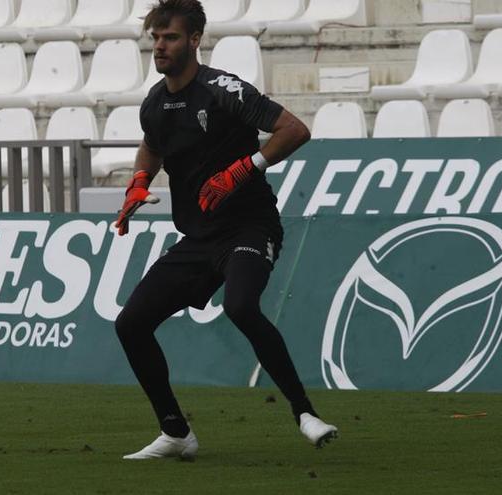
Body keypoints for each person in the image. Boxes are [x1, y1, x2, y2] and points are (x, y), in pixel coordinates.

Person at [114, 0, 338, 460]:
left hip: (249, 227)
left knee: (240, 305)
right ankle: (176, 432)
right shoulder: (156, 101)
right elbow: (151, 146)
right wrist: (138, 183)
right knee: (131, 324)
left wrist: (243, 169)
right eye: (156, 37)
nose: (160, 45)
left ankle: (304, 413)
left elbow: (294, 129)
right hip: (199, 237)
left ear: (194, 40)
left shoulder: (223, 89)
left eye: (170, 37)